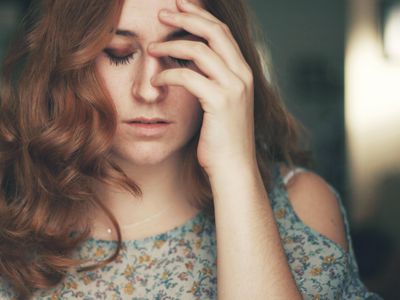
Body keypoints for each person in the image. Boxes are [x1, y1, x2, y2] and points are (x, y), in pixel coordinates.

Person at [0, 0, 381, 299]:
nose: (149, 90)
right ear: (70, 61)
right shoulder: (13, 217)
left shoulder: (300, 207)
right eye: (117, 52)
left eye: (181, 55)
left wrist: (234, 168)